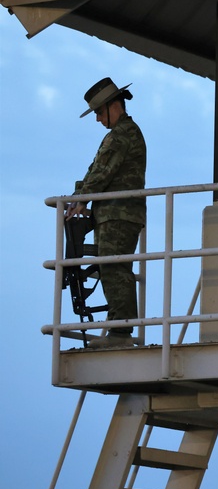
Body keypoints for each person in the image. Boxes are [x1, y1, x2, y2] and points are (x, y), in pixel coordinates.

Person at [65, 78, 146, 349]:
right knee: (111, 269)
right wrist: (79, 195)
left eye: (100, 112)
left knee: (114, 269)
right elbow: (95, 171)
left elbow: (102, 172)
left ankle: (120, 334)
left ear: (115, 106)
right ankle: (116, 329)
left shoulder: (122, 134)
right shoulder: (122, 134)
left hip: (119, 215)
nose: (98, 119)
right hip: (113, 214)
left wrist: (82, 197)